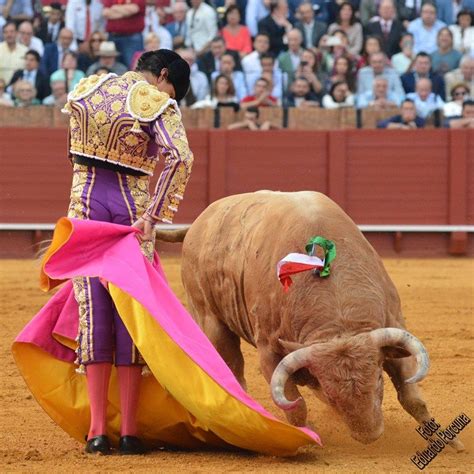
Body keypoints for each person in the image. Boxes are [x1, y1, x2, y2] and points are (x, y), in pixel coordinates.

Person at [60, 49, 193, 455]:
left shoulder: (86, 87)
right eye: (172, 88)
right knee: (130, 314)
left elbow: (73, 151)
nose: (169, 94)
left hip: (84, 208)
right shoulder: (157, 102)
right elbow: (181, 156)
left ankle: (98, 432)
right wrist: (154, 216)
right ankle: (131, 431)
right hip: (131, 214)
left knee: (95, 312)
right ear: (163, 75)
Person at [102, 0, 146, 68]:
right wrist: (125, 12)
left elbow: (134, 9)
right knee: (111, 67)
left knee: (134, 67)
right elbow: (106, 13)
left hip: (132, 38)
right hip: (113, 36)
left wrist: (114, 7)